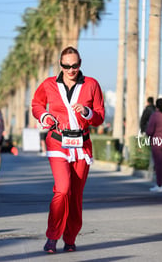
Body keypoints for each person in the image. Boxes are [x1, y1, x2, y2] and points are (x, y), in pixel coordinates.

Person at [31, 46, 105, 254]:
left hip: (82, 145)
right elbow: (36, 104)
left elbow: (99, 116)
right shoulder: (49, 84)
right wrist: (44, 116)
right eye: (66, 66)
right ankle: (52, 237)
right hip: (57, 142)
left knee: (75, 196)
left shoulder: (91, 84)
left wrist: (88, 112)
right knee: (62, 189)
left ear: (80, 63)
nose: (71, 69)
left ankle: (70, 239)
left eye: (75, 65)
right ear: (60, 65)